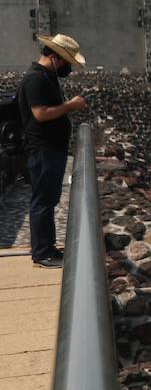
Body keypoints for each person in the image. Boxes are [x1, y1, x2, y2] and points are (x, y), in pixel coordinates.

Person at [18, 34, 86, 268]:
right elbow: (40, 114)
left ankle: (47, 247)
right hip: (42, 150)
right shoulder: (36, 80)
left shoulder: (47, 77)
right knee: (43, 201)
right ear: (55, 58)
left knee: (48, 199)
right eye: (67, 62)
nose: (68, 67)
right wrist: (70, 106)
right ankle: (42, 253)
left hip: (50, 149)